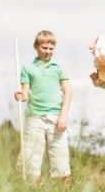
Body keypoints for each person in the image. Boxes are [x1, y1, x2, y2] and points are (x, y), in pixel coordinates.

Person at [14, 30, 72, 181]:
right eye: (44, 48)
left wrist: (63, 116)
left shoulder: (58, 68)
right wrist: (20, 95)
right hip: (35, 118)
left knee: (61, 162)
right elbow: (25, 93)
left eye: (51, 49)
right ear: (37, 46)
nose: (48, 52)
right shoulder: (28, 68)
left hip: (56, 117)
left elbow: (68, 93)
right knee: (31, 161)